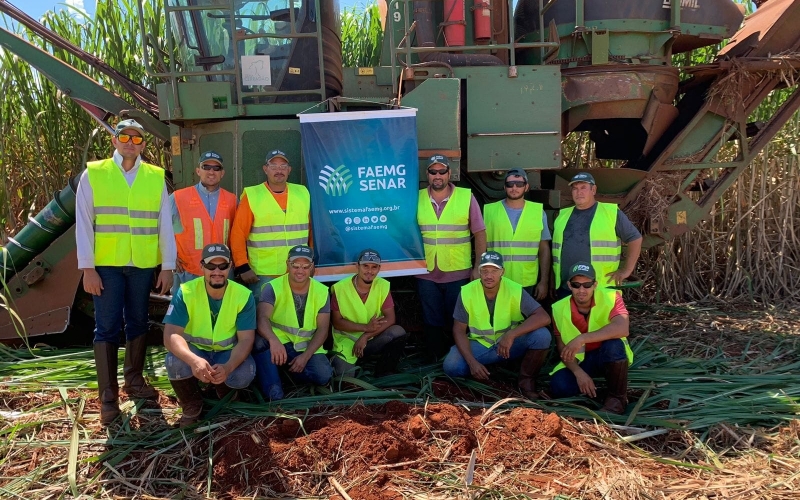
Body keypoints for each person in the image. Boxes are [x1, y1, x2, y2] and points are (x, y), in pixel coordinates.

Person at [75, 119, 175, 425]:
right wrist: (87, 268)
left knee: (137, 323)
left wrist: (168, 265)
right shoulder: (94, 174)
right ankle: (108, 398)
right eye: (124, 136)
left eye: (137, 137)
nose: (130, 141)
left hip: (142, 265)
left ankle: (134, 381)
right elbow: (84, 223)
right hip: (106, 266)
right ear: (114, 141)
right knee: (106, 328)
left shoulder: (155, 177)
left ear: (143, 144)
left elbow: (165, 224)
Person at [163, 244, 256, 426]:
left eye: (222, 266)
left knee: (245, 372)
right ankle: (192, 404)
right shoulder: (186, 291)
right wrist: (193, 360)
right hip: (196, 352)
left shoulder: (243, 295)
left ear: (230, 266)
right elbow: (171, 335)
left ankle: (223, 397)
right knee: (174, 361)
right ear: (202, 267)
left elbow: (246, 340)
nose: (217, 271)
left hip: (226, 354)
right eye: (211, 266)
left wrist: (228, 367)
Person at [443, 251, 552, 399]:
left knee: (542, 336)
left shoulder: (514, 289)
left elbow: (543, 317)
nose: (489, 275)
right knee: (451, 365)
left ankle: (526, 382)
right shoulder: (467, 292)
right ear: (479, 271)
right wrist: (472, 362)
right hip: (481, 345)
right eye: (485, 271)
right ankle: (478, 378)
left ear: (503, 272)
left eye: (494, 271)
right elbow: (459, 330)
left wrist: (511, 334)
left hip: (509, 345)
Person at [417, 154, 487, 359]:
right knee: (431, 320)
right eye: (433, 172)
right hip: (426, 273)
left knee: (457, 320)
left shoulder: (466, 197)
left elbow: (480, 233)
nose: (437, 176)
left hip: (458, 272)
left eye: (441, 171)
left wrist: (478, 267)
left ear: (450, 173)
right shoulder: (417, 197)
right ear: (427, 174)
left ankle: (456, 359)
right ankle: (435, 361)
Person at [549, 262, 633, 414]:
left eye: (587, 285)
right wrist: (578, 373)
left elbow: (622, 328)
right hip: (581, 361)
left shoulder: (611, 297)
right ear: (569, 285)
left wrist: (582, 338)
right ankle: (596, 393)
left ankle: (617, 399)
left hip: (606, 355)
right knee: (559, 385)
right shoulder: (558, 308)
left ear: (595, 284)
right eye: (576, 285)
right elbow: (562, 347)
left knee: (614, 345)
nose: (581, 290)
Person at [251, 245, 332, 400]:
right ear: (288, 264)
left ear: (312, 267)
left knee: (323, 376)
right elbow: (262, 318)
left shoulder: (322, 291)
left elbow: (323, 329)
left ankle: (288, 372)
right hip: (279, 343)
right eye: (295, 266)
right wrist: (273, 340)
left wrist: (306, 356)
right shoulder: (272, 287)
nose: (300, 270)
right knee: (259, 342)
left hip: (306, 346)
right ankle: (273, 388)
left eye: (305, 266)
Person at [229, 150, 310, 295]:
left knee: (295, 313)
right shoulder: (253, 195)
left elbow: (312, 232)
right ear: (265, 169)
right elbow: (238, 233)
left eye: (283, 166)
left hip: (299, 269)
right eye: (273, 166)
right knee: (264, 314)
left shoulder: (302, 193)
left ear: (289, 170)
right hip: (264, 273)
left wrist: (311, 260)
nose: (279, 170)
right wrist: (242, 266)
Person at [552, 172, 642, 298]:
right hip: (568, 288)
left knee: (599, 318)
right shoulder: (562, 216)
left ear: (593, 190)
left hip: (600, 288)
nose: (579, 192)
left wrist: (626, 271)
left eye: (583, 187)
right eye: (575, 188)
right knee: (567, 318)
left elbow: (635, 239)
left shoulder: (610, 213)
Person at [329, 249, 409, 378]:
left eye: (374, 267)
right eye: (365, 266)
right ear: (357, 266)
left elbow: (390, 318)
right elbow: (337, 322)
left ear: (379, 269)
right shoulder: (340, 288)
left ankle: (384, 372)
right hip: (347, 342)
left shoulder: (382, 285)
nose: (369, 271)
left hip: (372, 339)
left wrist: (365, 336)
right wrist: (365, 328)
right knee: (345, 379)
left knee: (398, 331)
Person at [170, 150, 237, 296]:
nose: (211, 171)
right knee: (186, 316)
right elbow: (162, 229)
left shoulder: (232, 200)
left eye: (216, 168)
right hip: (189, 271)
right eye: (206, 167)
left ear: (222, 173)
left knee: (220, 315)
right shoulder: (178, 197)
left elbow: (238, 235)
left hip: (221, 273)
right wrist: (170, 257)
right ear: (198, 171)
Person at [483, 168, 551, 300]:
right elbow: (481, 245)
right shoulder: (489, 211)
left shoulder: (537, 212)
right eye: (510, 184)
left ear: (526, 187)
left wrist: (544, 281)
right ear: (504, 187)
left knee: (526, 319)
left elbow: (544, 248)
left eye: (519, 184)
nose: (514, 188)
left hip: (526, 280)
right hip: (496, 279)